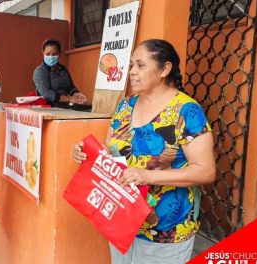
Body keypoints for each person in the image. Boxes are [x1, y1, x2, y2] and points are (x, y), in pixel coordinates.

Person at [72, 39, 216, 264]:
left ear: (164, 69)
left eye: (140, 65)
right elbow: (111, 149)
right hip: (122, 219)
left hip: (165, 230)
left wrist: (147, 176)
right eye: (131, 65)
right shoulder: (125, 105)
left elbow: (206, 172)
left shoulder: (187, 111)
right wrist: (87, 153)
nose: (132, 72)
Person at [33, 39, 87, 106]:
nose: (51, 57)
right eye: (47, 54)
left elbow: (70, 87)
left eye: (54, 54)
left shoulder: (63, 69)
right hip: (49, 107)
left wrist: (76, 94)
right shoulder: (40, 71)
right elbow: (46, 93)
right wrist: (69, 99)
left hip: (65, 106)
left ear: (59, 54)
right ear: (43, 53)